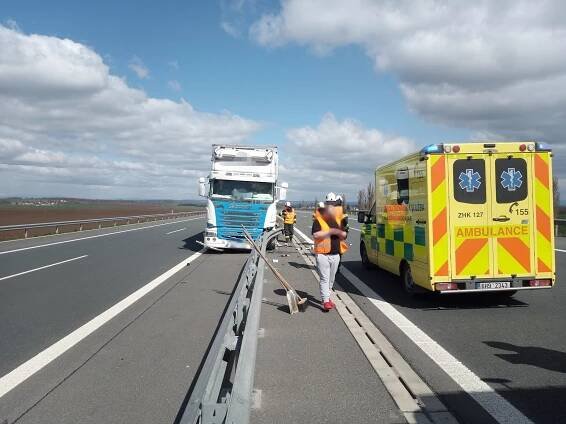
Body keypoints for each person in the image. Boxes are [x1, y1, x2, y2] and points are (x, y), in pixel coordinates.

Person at [312, 192, 349, 311]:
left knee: (331, 279)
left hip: (335, 254)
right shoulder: (319, 219)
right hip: (322, 254)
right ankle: (326, 301)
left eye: (334, 205)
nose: (332, 207)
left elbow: (344, 235)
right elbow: (316, 234)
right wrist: (330, 231)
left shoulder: (338, 220)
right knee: (324, 278)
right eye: (330, 205)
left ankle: (327, 297)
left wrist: (338, 232)